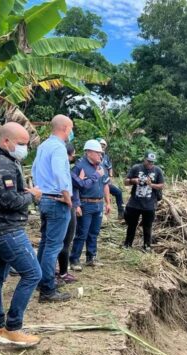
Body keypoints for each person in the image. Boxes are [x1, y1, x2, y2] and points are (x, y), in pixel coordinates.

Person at [0, 122, 42, 347]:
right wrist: (32, 195)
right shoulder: (1, 165)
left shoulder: (1, 161)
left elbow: (6, 196)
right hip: (6, 230)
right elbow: (9, 201)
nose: (25, 148)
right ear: (6, 141)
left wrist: (22, 194)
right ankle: (13, 328)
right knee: (33, 273)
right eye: (22, 144)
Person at [32, 115, 73, 303]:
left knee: (46, 243)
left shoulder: (43, 146)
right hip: (57, 200)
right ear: (65, 128)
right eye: (71, 129)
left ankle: (41, 281)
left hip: (45, 198)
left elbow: (34, 171)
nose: (71, 133)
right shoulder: (58, 148)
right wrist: (67, 197)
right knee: (53, 246)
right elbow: (59, 172)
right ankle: (48, 289)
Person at [69, 140, 111, 271]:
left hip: (98, 203)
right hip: (85, 203)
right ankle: (74, 259)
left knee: (94, 232)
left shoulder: (101, 167)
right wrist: (77, 205)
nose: (100, 156)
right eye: (98, 153)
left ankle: (91, 257)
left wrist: (108, 202)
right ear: (89, 152)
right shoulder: (80, 166)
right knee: (82, 232)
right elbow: (74, 187)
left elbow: (105, 185)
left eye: (101, 153)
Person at [123, 152, 164, 251]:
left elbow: (162, 185)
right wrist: (134, 181)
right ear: (144, 159)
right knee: (132, 225)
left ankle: (147, 246)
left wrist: (152, 185)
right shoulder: (136, 168)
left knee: (147, 226)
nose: (150, 164)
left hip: (149, 203)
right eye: (149, 161)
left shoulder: (157, 170)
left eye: (152, 162)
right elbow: (125, 182)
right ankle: (127, 244)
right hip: (135, 203)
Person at [56, 144, 78, 284]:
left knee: (55, 243)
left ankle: (59, 272)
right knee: (62, 242)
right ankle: (61, 273)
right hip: (63, 204)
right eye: (73, 155)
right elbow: (80, 184)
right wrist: (70, 202)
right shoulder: (62, 169)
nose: (74, 158)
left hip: (64, 203)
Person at [99, 138, 125, 219]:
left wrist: (110, 175)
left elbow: (110, 167)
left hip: (106, 183)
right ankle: (101, 218)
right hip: (96, 184)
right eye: (101, 145)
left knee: (118, 192)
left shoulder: (106, 157)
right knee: (101, 199)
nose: (102, 147)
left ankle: (121, 213)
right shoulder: (94, 157)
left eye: (104, 145)